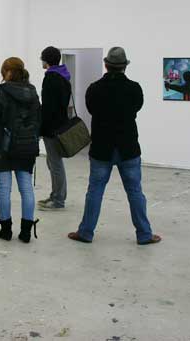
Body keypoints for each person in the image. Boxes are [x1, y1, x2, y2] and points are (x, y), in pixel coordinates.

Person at [68, 47, 161, 246]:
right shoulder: (134, 88)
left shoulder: (94, 88)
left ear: (106, 65)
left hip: (102, 147)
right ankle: (144, 234)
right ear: (124, 67)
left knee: (95, 191)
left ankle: (86, 232)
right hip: (128, 147)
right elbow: (136, 107)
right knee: (135, 192)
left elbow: (91, 110)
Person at [0, 57, 41, 243]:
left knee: (4, 188)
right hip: (26, 148)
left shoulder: (2, 93)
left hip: (4, 148)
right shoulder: (33, 93)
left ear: (7, 72)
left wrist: (0, 136)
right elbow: (38, 120)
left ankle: (6, 230)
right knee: (26, 188)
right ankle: (26, 232)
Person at [37, 46, 72, 210]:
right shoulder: (64, 76)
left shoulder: (51, 78)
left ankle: (58, 199)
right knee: (53, 162)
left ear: (46, 60)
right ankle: (56, 195)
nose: (41, 61)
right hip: (61, 125)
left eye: (42, 58)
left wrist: (40, 129)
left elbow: (48, 108)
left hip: (52, 128)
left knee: (55, 163)